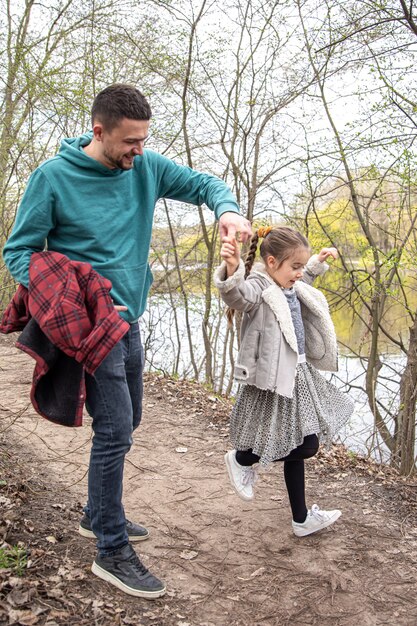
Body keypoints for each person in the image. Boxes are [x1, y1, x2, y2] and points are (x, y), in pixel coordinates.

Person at [2, 83, 252, 598]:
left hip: (131, 319)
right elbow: (19, 252)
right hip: (92, 326)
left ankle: (97, 513)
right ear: (99, 131)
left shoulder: (147, 167)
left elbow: (205, 184)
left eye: (144, 140)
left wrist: (226, 210)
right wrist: (66, 292)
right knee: (115, 430)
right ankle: (111, 550)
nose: (138, 151)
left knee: (130, 417)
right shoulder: (53, 178)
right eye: (129, 142)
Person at [214, 225, 354, 537]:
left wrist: (315, 263)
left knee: (299, 438)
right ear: (273, 262)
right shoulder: (258, 286)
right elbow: (236, 295)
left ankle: (301, 518)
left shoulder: (287, 283)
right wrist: (233, 268)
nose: (299, 274)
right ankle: (242, 459)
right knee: (307, 444)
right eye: (295, 266)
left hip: (300, 372)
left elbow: (300, 286)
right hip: (275, 378)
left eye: (302, 267)